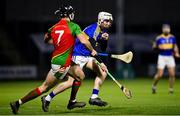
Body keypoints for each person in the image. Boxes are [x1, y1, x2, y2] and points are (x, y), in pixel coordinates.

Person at [9, 4, 98, 114]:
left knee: (79, 76)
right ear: (70, 15)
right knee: (46, 87)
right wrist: (92, 50)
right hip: (63, 63)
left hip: (57, 60)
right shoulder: (74, 26)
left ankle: (18, 103)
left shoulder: (53, 27)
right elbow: (84, 41)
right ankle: (66, 102)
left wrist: (58, 44)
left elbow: (46, 39)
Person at [41, 12, 113, 112]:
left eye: (110, 21)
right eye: (106, 21)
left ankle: (94, 97)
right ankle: (47, 98)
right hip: (77, 55)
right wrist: (101, 62)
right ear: (100, 20)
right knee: (70, 82)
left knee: (103, 72)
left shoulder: (101, 31)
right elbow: (94, 49)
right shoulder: (93, 29)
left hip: (87, 56)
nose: (109, 23)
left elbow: (102, 49)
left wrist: (105, 40)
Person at [152, 24, 180, 94]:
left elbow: (175, 46)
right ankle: (154, 86)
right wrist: (157, 47)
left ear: (169, 29)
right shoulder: (159, 38)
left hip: (170, 57)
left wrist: (176, 52)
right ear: (162, 29)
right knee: (160, 75)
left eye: (167, 28)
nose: (166, 30)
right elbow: (154, 47)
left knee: (172, 74)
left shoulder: (172, 37)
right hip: (162, 57)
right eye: (165, 28)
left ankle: (171, 89)